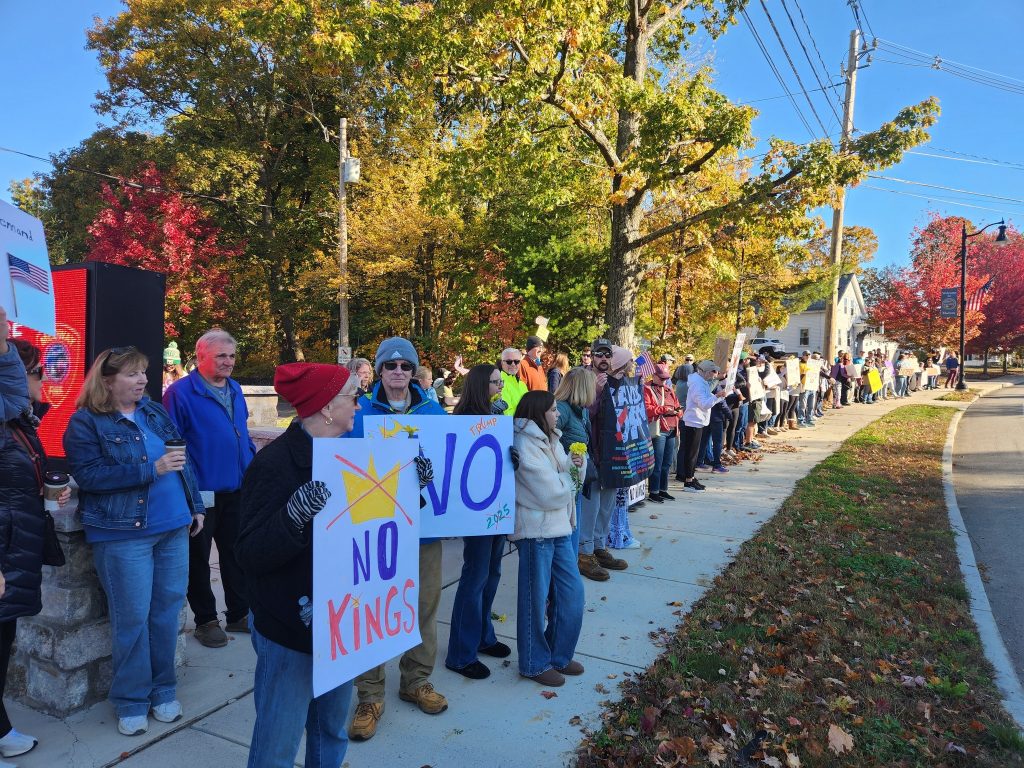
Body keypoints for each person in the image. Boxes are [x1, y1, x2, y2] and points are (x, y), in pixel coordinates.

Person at [63, 346, 206, 737]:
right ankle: (130, 699)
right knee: (131, 620)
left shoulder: (154, 412)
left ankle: (163, 689)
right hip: (124, 534)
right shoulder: (85, 423)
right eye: (132, 374)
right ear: (107, 381)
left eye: (143, 372)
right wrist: (150, 468)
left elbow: (182, 459)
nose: (142, 379)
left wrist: (195, 504)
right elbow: (90, 477)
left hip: (174, 526)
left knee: (165, 613)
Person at [235, 362, 361, 768]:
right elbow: (249, 552)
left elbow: (375, 525)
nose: (358, 405)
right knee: (278, 742)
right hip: (292, 630)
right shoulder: (272, 467)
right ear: (326, 406)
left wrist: (415, 491)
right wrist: (292, 517)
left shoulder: (351, 457)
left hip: (342, 623)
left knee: (331, 732)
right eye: (352, 396)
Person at [348, 337, 447, 742]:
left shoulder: (433, 411)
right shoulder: (360, 413)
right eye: (391, 366)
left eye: (406, 366)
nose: (399, 373)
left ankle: (415, 681)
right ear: (379, 371)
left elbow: (452, 465)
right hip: (376, 529)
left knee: (424, 606)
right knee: (372, 608)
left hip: (423, 530)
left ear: (415, 372)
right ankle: (369, 694)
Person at [0, 314, 72, 761]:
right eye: (37, 373)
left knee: (2, 642)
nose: (44, 381)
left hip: (16, 548)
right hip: (5, 557)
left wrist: (45, 493)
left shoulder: (19, 426)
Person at [164, 329, 256, 649]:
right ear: (200, 356)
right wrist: (189, 494)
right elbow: (173, 444)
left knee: (237, 554)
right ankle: (205, 620)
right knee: (198, 559)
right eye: (221, 356)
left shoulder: (234, 388)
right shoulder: (180, 393)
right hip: (200, 492)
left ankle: (239, 613)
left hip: (237, 489)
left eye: (231, 356)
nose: (228, 362)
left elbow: (241, 433)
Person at [510, 391, 585, 687]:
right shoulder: (525, 443)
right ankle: (533, 663)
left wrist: (577, 465)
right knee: (534, 600)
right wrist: (570, 479)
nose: (557, 414)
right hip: (536, 533)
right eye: (553, 410)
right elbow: (550, 492)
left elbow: (566, 481)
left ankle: (559, 655)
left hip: (560, 530)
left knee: (572, 594)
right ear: (538, 412)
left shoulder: (550, 438)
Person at [444, 365, 512, 680]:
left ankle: (483, 636)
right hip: (476, 511)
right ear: (481, 386)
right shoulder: (463, 420)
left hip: (496, 508)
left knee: (492, 574)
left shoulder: (499, 415)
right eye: (496, 381)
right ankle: (461, 652)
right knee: (475, 578)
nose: (501, 385)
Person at [583, 343, 652, 568]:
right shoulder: (584, 379)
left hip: (615, 456)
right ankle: (585, 555)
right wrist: (597, 392)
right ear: (592, 357)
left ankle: (600, 547)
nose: (604, 358)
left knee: (606, 507)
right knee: (590, 508)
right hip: (593, 453)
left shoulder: (620, 383)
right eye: (599, 354)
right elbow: (582, 413)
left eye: (608, 355)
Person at [553, 367, 598, 577]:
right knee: (568, 531)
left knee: (574, 528)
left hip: (576, 480)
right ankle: (566, 575)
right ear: (583, 388)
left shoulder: (581, 410)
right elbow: (547, 440)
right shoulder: (561, 409)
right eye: (592, 386)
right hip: (564, 482)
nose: (595, 390)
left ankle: (569, 572)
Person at [676, 361, 729, 492]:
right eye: (713, 372)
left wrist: (719, 396)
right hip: (694, 421)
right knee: (692, 453)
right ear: (705, 372)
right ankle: (688, 481)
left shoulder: (700, 382)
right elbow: (704, 403)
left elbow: (707, 396)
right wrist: (717, 396)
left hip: (698, 420)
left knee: (694, 452)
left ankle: (691, 477)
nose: (715, 374)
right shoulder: (697, 384)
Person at [643, 364, 681, 503]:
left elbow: (677, 405)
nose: (664, 381)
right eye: (661, 378)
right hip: (659, 429)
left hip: (671, 428)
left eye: (666, 378)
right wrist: (664, 410)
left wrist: (678, 411)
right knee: (657, 462)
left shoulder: (669, 389)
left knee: (667, 462)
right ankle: (653, 491)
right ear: (654, 375)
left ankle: (663, 489)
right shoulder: (647, 389)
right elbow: (647, 409)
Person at [497, 348, 529, 416]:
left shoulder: (522, 384)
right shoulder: (499, 383)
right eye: (509, 361)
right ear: (502, 363)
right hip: (510, 425)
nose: (513, 364)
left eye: (516, 361)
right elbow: (506, 413)